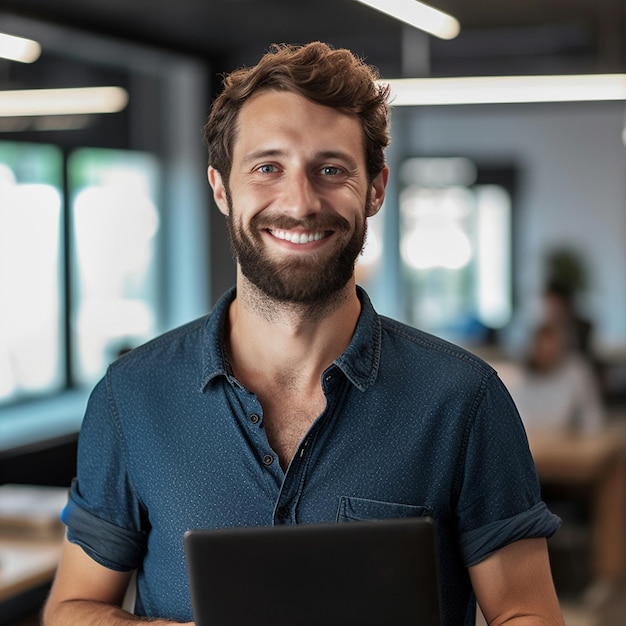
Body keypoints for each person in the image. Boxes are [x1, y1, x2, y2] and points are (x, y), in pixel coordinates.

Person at [43, 42, 563, 626]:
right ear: (221, 188)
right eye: (267, 168)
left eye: (331, 169)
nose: (300, 202)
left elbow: (528, 614)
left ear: (375, 189)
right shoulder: (131, 396)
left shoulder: (464, 400)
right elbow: (72, 608)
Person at [510, 321, 604, 434]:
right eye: (542, 349)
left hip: (570, 445)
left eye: (551, 350)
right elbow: (517, 419)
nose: (546, 354)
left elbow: (592, 417)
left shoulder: (575, 372)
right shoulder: (519, 377)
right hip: (534, 444)